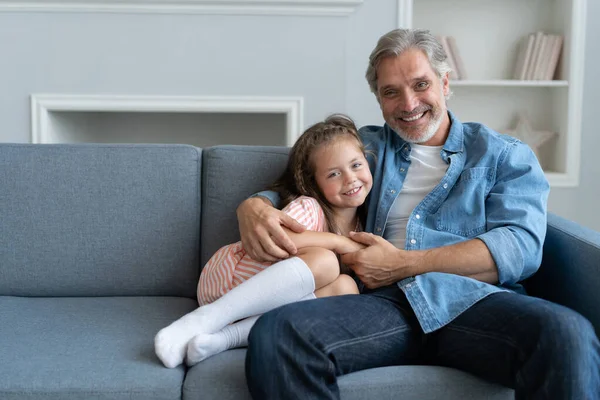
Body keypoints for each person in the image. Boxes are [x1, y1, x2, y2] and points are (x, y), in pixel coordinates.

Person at [238, 29, 600, 399]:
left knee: (567, 334)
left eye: (421, 84)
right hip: (381, 307)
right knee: (279, 334)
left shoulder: (503, 154)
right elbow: (305, 183)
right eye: (391, 92)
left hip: (474, 302)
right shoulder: (368, 147)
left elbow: (518, 248)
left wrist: (403, 264)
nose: (408, 104)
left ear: (445, 83)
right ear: (379, 100)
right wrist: (254, 206)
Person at [154, 115, 372, 368]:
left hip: (267, 306)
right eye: (334, 173)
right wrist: (338, 242)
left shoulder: (363, 225)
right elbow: (280, 237)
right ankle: (205, 319)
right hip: (231, 279)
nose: (350, 178)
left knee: (346, 289)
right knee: (326, 261)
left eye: (356, 165)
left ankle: (222, 339)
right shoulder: (310, 207)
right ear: (313, 184)